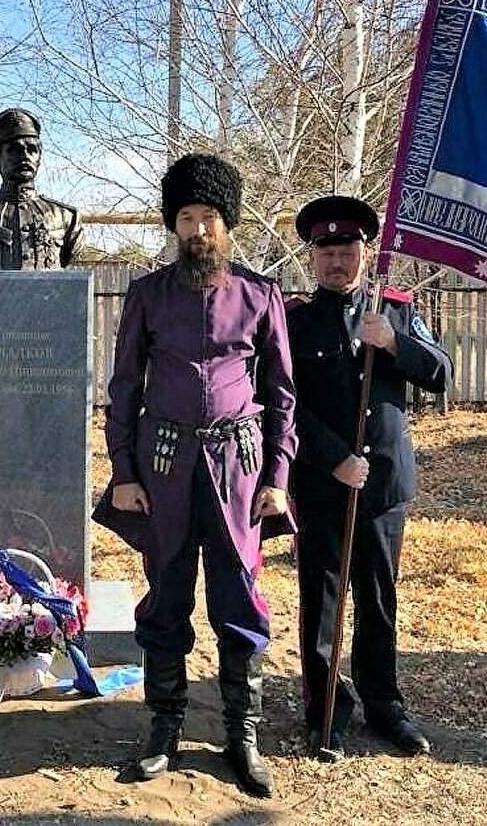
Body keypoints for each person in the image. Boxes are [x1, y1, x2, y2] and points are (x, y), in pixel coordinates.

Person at [93, 153, 297, 798]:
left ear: (227, 223)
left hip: (239, 464)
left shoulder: (261, 295)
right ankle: (163, 726)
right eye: (187, 218)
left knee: (239, 592)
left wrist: (278, 476)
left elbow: (283, 395)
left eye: (209, 217)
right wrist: (123, 471)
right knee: (168, 587)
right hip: (163, 465)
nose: (199, 229)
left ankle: (243, 734)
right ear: (172, 225)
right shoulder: (149, 294)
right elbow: (125, 388)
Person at [286, 195, 452, 760]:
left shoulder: (398, 309)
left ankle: (385, 706)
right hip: (322, 481)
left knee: (379, 599)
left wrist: (394, 343)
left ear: (366, 252)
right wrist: (333, 456)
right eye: (327, 251)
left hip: (382, 487)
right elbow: (282, 403)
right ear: (313, 256)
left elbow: (441, 373)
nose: (338, 261)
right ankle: (326, 709)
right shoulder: (294, 319)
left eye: (348, 250)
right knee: (323, 600)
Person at [0, 108, 83, 269]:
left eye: (32, 150)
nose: (25, 156)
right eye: (15, 150)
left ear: (40, 157)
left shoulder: (67, 217)